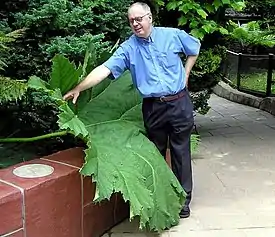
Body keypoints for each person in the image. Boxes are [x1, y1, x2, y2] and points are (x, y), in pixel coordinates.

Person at [63, 2, 201, 218]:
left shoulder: (172, 35)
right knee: (153, 153)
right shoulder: (129, 48)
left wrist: (186, 73)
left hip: (178, 103)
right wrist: (78, 88)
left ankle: (183, 199)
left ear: (150, 18)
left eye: (139, 19)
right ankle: (157, 196)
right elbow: (104, 69)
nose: (136, 24)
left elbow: (194, 47)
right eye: (131, 21)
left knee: (181, 151)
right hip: (153, 107)